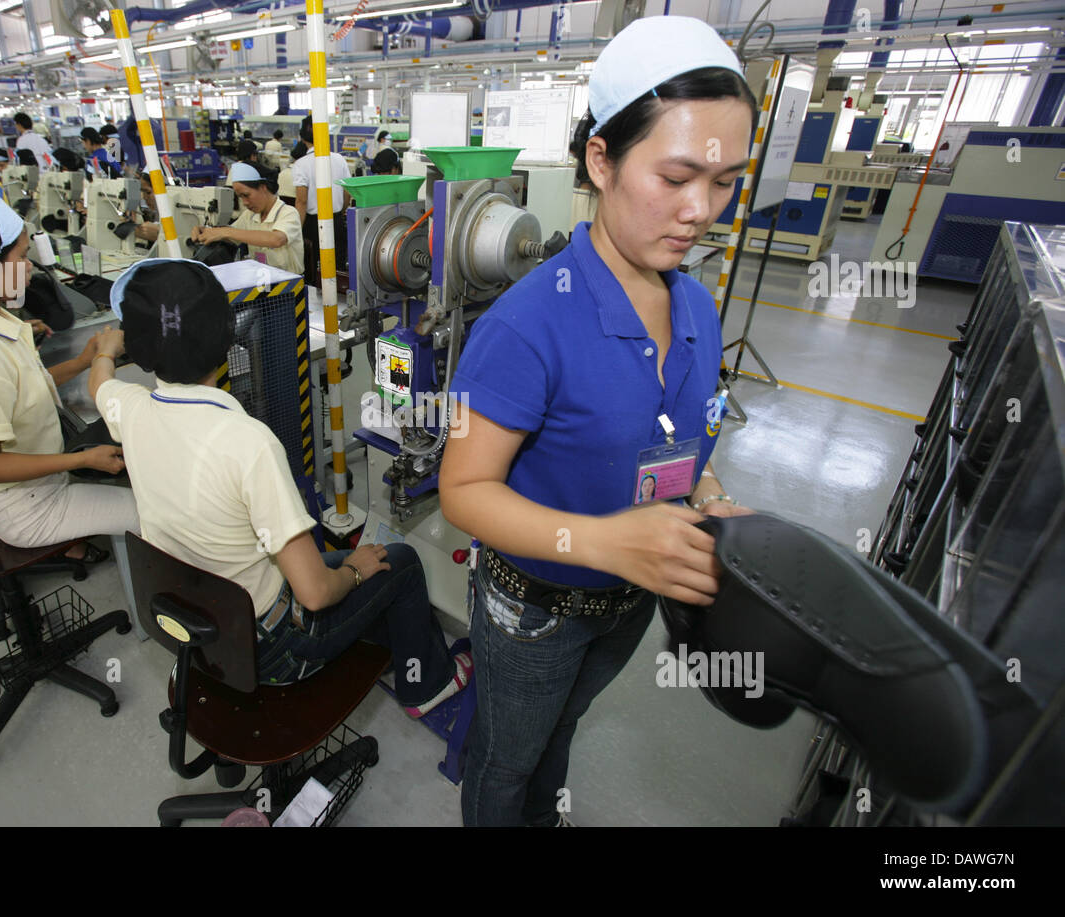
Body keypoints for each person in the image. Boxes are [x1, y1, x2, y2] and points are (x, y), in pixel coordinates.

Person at [438, 15, 759, 827]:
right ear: (601, 160)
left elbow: (687, 436)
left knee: (560, 732)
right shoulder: (524, 326)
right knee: (505, 759)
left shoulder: (694, 302)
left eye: (724, 183)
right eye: (677, 176)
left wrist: (708, 490)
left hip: (630, 602)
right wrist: (608, 540)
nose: (701, 211)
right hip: (533, 611)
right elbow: (465, 492)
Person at [88, 259, 471, 711]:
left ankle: (385, 644)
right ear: (227, 340)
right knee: (398, 562)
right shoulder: (248, 443)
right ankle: (425, 688)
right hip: (275, 649)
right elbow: (314, 594)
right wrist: (354, 572)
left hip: (205, 624)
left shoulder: (129, 410)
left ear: (143, 351)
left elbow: (100, 384)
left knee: (352, 561)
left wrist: (105, 351)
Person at [0, 191, 138, 555]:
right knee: (152, 517)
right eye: (22, 257)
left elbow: (21, 389)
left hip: (41, 480)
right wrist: (82, 459)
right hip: (28, 508)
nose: (31, 266)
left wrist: (82, 361)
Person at [193, 162, 303, 275]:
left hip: (289, 284)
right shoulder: (249, 215)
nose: (244, 202)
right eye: (240, 197)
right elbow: (231, 236)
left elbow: (276, 239)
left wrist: (225, 232)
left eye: (246, 195)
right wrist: (206, 231)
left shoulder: (288, 213)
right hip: (262, 281)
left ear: (263, 187)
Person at [292, 118, 351, 284]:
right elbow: (347, 192)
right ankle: (339, 301)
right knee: (337, 265)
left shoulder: (301, 165)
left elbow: (301, 201)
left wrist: (296, 231)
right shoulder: (339, 160)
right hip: (337, 221)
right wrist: (341, 210)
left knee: (315, 268)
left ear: (303, 138)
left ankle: (319, 304)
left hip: (313, 225)